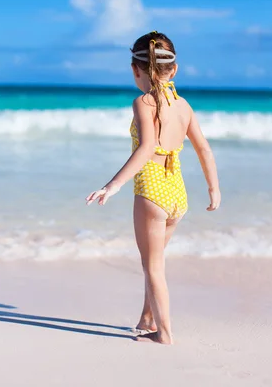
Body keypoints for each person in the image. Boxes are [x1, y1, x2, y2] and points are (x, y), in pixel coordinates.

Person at [85, 31, 221, 345]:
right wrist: (214, 189)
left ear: (135, 69)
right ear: (173, 69)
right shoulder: (183, 105)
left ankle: (165, 333)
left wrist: (113, 185)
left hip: (151, 193)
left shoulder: (143, 102)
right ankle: (148, 318)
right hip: (177, 194)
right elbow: (204, 149)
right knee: (154, 260)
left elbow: (147, 148)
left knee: (153, 266)